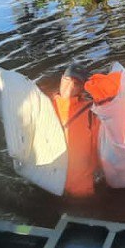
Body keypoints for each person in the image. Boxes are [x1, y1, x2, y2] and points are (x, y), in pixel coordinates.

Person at [49, 63, 99, 198]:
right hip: (48, 182)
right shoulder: (45, 106)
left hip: (80, 189)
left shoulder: (91, 112)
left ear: (82, 88)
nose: (69, 87)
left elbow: (100, 148)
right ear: (61, 79)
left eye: (76, 84)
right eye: (67, 80)